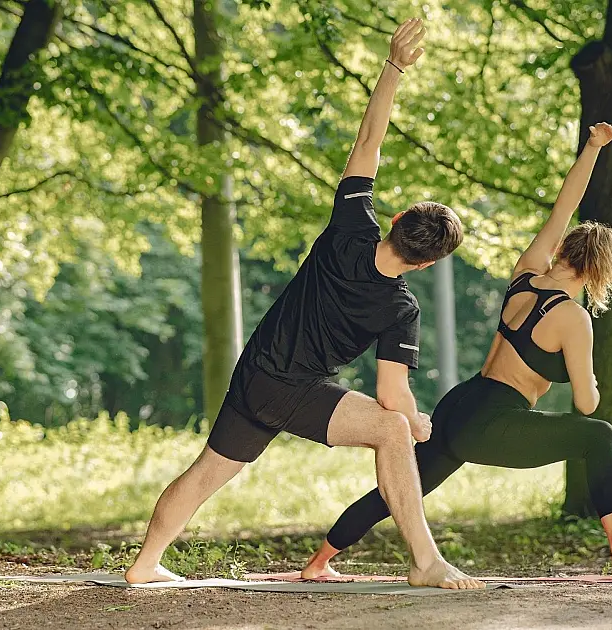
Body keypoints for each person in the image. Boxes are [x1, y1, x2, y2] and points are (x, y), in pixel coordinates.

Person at [123, 18, 484, 590]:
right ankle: (425, 563)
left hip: (255, 371)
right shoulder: (400, 308)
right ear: (426, 264)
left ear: (394, 221)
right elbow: (392, 396)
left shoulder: (349, 226)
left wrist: (393, 67)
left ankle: (144, 565)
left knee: (208, 472)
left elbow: (368, 141)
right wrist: (416, 422)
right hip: (290, 389)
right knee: (392, 430)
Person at [300, 122, 612, 582]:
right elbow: (585, 404)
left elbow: (564, 205)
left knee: (402, 487)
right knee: (598, 434)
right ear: (601, 272)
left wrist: (593, 148)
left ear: (563, 249)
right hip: (495, 419)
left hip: (463, 403)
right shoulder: (573, 318)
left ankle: (319, 561)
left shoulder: (527, 273)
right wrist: (591, 376)